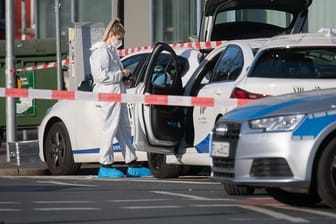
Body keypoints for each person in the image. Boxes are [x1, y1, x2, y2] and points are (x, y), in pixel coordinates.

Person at [89, 18, 151, 178]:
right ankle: (105, 164)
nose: (120, 41)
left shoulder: (111, 52)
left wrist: (124, 79)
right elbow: (100, 76)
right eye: (119, 38)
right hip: (108, 95)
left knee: (124, 129)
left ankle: (132, 163)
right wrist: (121, 74)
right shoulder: (101, 52)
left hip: (117, 94)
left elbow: (112, 75)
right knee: (109, 129)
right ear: (111, 35)